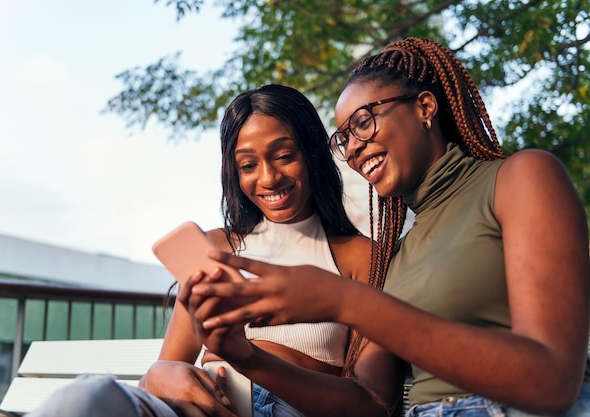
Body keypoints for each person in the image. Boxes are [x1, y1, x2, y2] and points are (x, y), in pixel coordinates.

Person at [184, 38, 590, 416]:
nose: (354, 147)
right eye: (343, 138)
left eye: (363, 122)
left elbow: (551, 381)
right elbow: (373, 396)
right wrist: (246, 358)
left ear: (425, 107)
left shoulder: (520, 178)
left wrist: (342, 301)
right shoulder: (396, 255)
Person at [26, 84, 400, 417]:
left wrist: (249, 359)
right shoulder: (217, 247)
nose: (268, 178)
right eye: (248, 165)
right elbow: (164, 368)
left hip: (284, 408)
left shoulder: (362, 259)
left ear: (313, 154)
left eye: (284, 155)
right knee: (89, 396)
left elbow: (373, 405)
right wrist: (161, 375)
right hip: (194, 404)